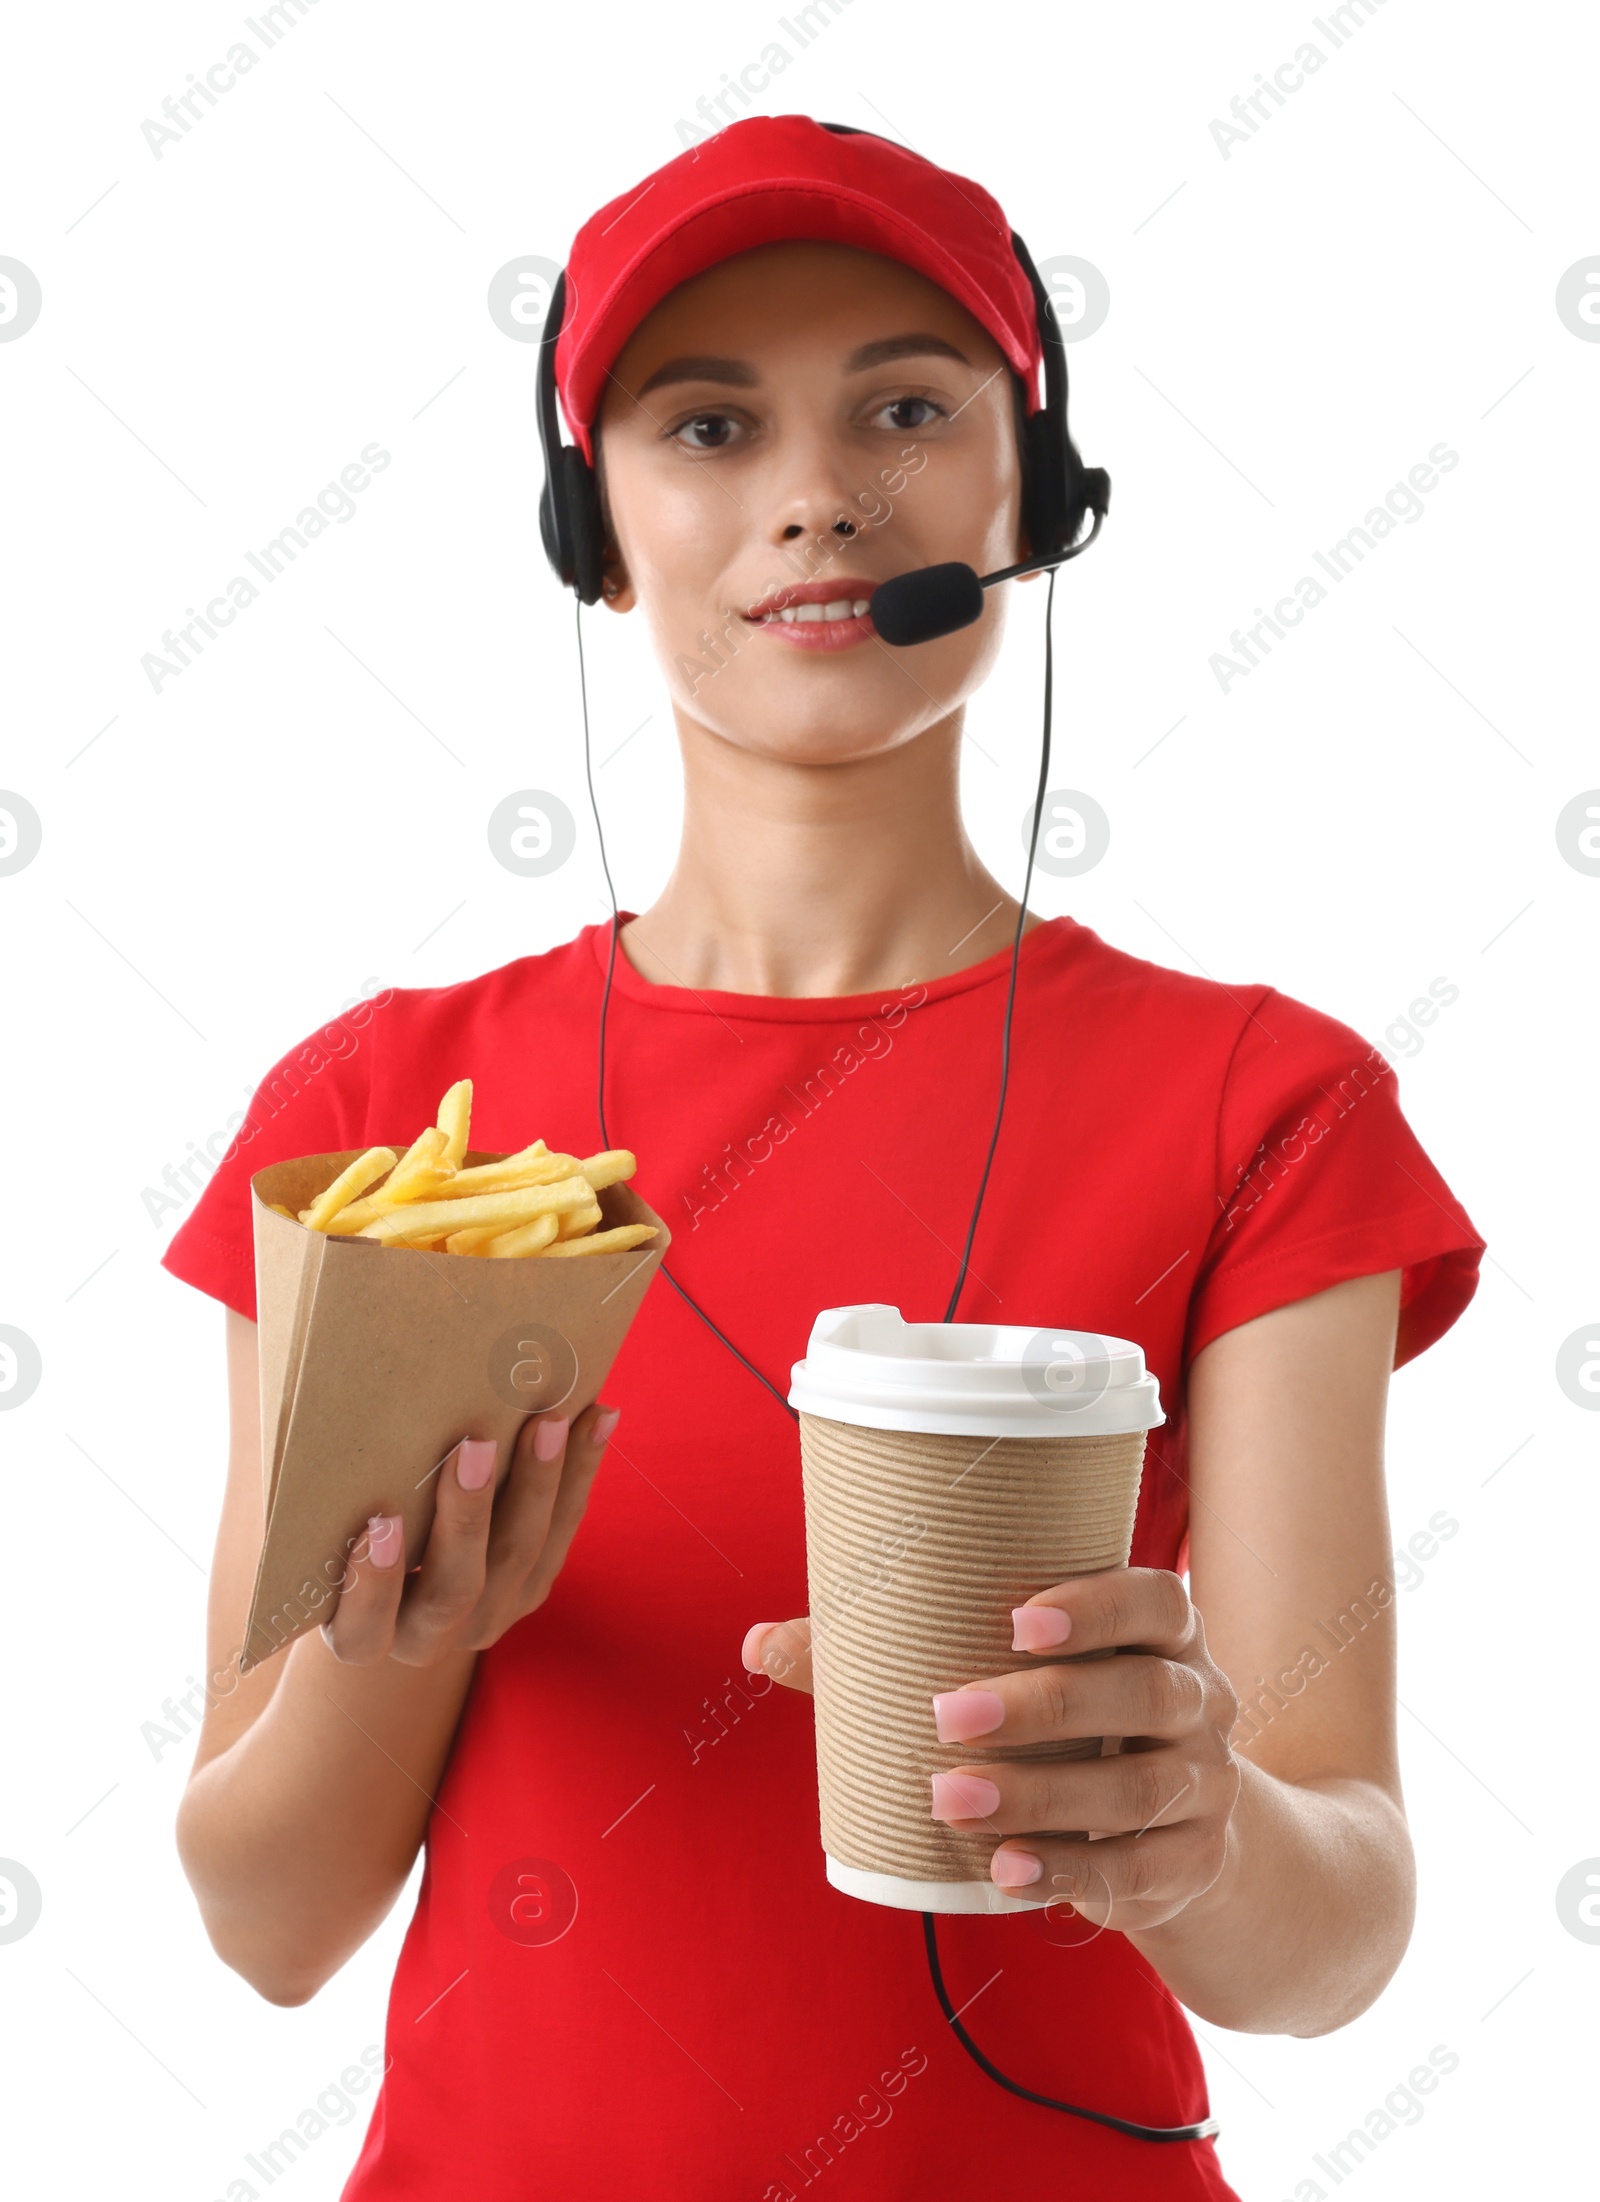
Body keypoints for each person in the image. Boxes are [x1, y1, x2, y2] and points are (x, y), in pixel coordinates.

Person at [165, 116, 1483, 2201]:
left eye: (901, 407)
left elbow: (1335, 1937)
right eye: (705, 424)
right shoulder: (369, 1127)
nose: (811, 497)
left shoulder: (1268, 1106)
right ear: (589, 525)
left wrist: (1199, 1823)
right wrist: (389, 1640)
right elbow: (266, 1922)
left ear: (1026, 497)